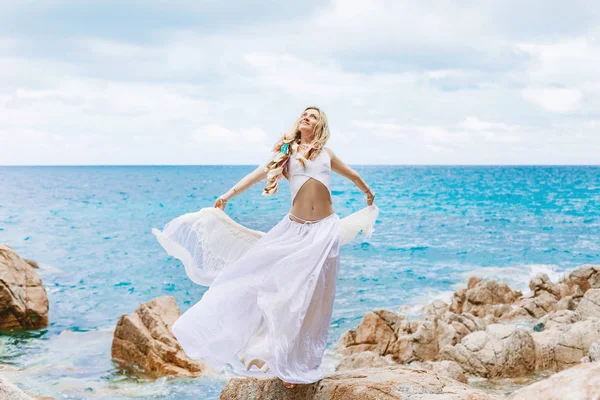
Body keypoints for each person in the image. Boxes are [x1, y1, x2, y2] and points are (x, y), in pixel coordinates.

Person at [152, 106, 377, 389]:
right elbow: (257, 174)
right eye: (304, 115)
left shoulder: (326, 154)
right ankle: (272, 357)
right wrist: (227, 195)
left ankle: (298, 363)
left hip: (324, 231)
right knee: (274, 290)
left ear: (320, 126)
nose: (307, 118)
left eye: (313, 116)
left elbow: (353, 175)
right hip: (294, 229)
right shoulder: (285, 154)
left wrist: (367, 192)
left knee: (311, 299)